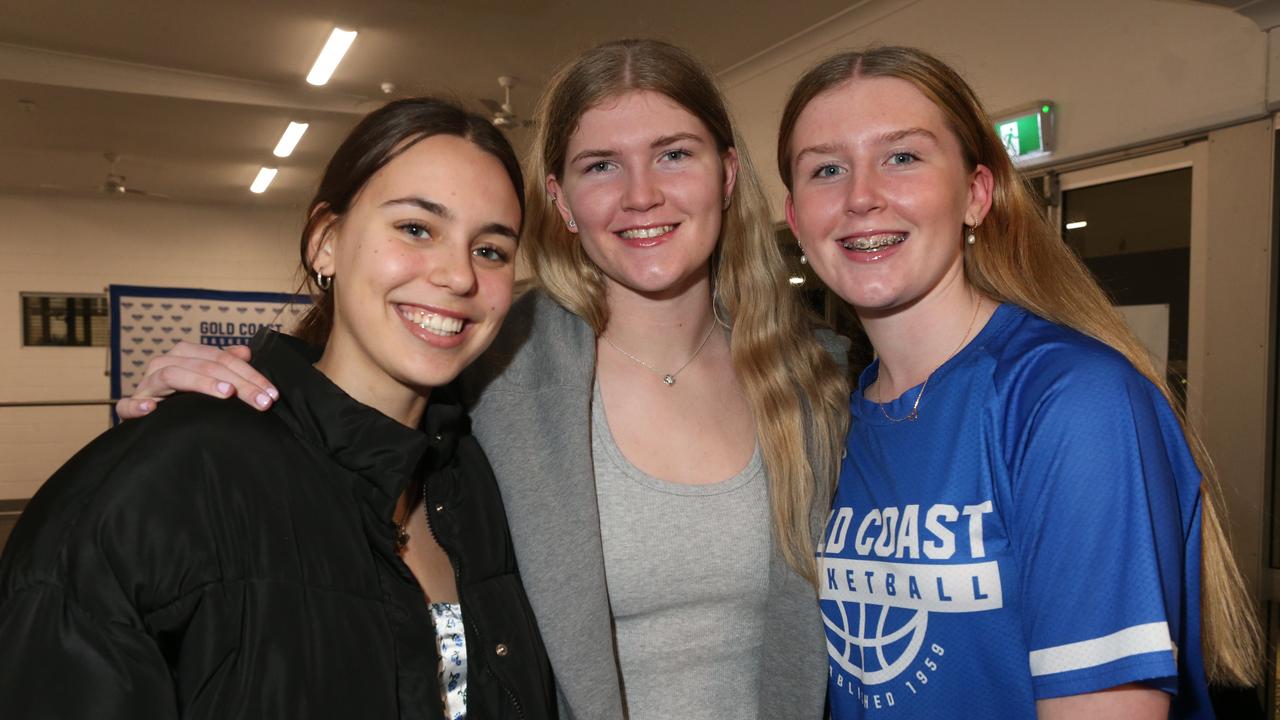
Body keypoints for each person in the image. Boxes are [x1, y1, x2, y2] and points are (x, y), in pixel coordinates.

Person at [114, 39, 851, 719]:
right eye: (600, 165)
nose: (640, 195)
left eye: (674, 155)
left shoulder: (816, 376)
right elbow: (342, 411)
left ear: (725, 174)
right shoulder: (491, 369)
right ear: (560, 200)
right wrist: (219, 388)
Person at [0, 97, 556, 720]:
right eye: (416, 228)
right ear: (325, 243)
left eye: (491, 250)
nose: (458, 276)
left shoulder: (477, 483)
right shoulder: (171, 476)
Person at [776, 46, 1261, 718]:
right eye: (827, 169)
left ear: (976, 195)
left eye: (903, 157)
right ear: (797, 221)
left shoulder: (1071, 401)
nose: (861, 196)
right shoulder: (839, 418)